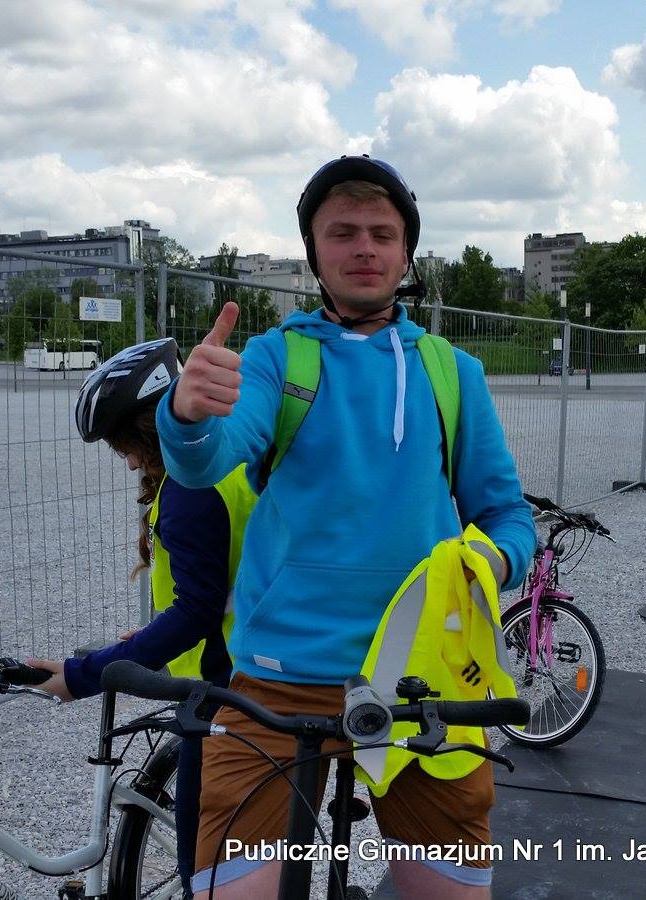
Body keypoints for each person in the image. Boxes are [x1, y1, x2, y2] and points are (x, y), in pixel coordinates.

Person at [157, 155, 536, 898]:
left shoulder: (452, 371)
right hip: (280, 677)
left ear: (406, 254)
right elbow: (206, 463)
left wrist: (490, 565)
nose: (364, 248)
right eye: (342, 233)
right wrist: (187, 417)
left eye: (381, 234)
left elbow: (506, 515)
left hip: (424, 678)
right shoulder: (275, 358)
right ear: (315, 252)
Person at [25, 336, 256, 895]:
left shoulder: (191, 489)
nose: (129, 461)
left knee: (206, 868)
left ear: (152, 428)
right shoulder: (228, 459)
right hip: (253, 673)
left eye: (125, 444)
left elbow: (197, 612)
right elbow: (220, 586)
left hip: (225, 694)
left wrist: (82, 675)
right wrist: (155, 635)